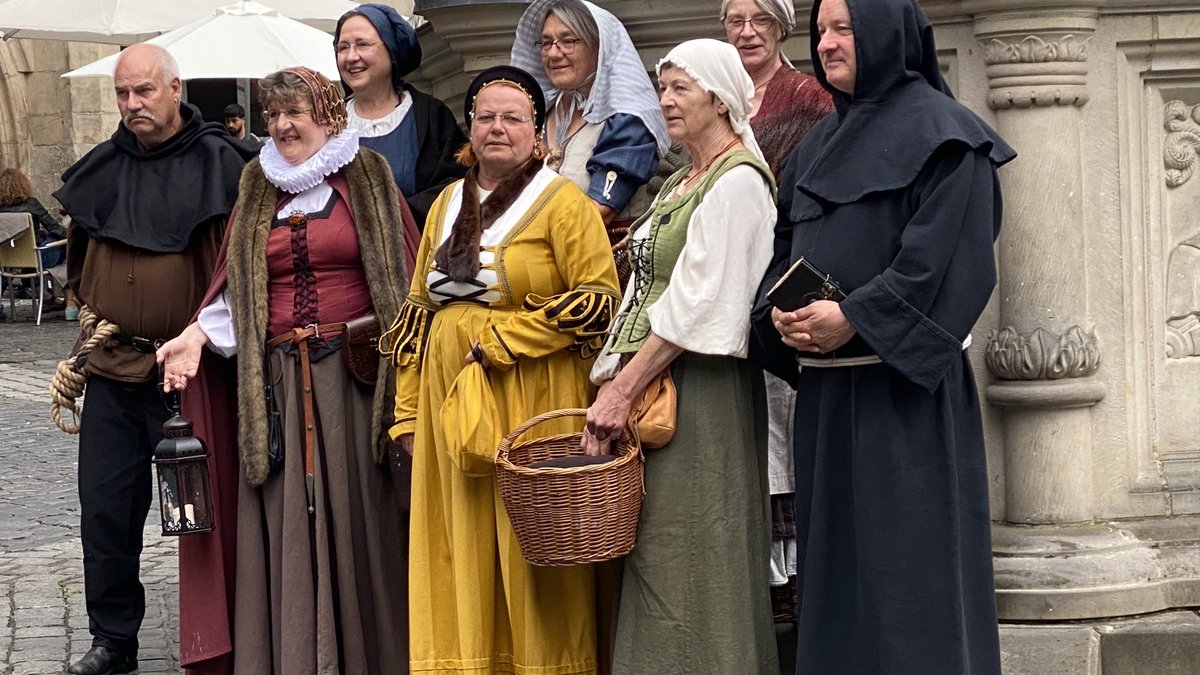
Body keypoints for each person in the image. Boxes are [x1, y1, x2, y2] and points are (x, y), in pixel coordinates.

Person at [750, 0, 1016, 672]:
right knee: (836, 580)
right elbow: (782, 251)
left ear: (885, 34)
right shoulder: (815, 146)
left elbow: (946, 263)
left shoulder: (950, 137)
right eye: (821, 30)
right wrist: (780, 315)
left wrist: (856, 318)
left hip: (904, 405)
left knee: (909, 583)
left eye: (844, 28)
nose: (827, 43)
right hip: (828, 404)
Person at [157, 66, 419, 675]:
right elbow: (236, 289)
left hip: (356, 382)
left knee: (364, 521)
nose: (281, 125)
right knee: (285, 523)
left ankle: (374, 659)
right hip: (275, 387)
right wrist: (197, 335)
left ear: (327, 114)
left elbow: (405, 277)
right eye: (272, 115)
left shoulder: (369, 177)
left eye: (294, 112)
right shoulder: (256, 186)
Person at [383, 65, 620, 674]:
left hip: (529, 396)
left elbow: (599, 302)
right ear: (469, 127)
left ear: (537, 131)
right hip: (449, 405)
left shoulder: (563, 204)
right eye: (486, 116)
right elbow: (416, 313)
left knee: (528, 541)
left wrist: (504, 338)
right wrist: (407, 415)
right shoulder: (445, 203)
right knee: (453, 540)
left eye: (513, 117)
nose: (498, 128)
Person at [50, 43, 254, 675]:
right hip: (113, 370)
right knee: (105, 511)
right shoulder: (102, 165)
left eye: (143, 91)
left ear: (174, 88)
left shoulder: (223, 163)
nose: (132, 104)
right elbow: (81, 262)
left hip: (191, 372)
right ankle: (113, 639)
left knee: (208, 511)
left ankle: (228, 635)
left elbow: (235, 268)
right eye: (122, 94)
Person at [582, 39, 779, 675]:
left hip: (699, 394)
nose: (665, 100)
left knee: (693, 554)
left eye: (680, 90)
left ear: (720, 100)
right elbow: (646, 287)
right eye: (661, 88)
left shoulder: (738, 182)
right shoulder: (679, 181)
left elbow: (701, 305)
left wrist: (621, 389)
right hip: (661, 387)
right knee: (656, 556)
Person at [721, 0, 834, 663]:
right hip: (722, 301)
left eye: (758, 19)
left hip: (778, 283)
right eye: (734, 19)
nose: (745, 31)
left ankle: (795, 612)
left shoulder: (806, 97)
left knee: (783, 437)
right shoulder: (720, 96)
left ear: (782, 27)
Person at [510, 0, 669, 229]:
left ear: (599, 46)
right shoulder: (534, 115)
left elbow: (597, 213)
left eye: (567, 41)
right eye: (546, 43)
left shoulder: (628, 121)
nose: (553, 54)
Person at [334, 3, 467, 228]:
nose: (351, 57)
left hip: (415, 253)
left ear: (392, 52)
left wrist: (393, 218)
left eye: (362, 45)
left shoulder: (431, 116)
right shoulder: (328, 124)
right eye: (342, 47)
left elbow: (455, 187)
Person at [0, 167, 70, 309]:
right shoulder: (31, 204)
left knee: (20, 258)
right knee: (60, 241)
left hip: (8, 259)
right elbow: (55, 228)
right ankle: (70, 302)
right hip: (37, 258)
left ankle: (45, 296)